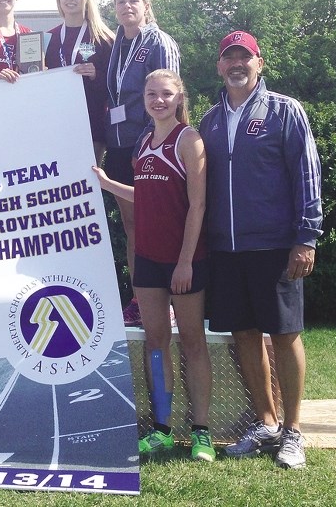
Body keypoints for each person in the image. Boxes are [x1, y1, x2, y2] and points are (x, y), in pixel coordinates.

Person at [199, 31, 323, 469]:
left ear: (259, 63)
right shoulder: (209, 120)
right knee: (244, 335)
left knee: (285, 336)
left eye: (244, 57)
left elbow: (306, 174)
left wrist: (306, 237)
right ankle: (267, 423)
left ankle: (293, 431)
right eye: (228, 57)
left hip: (274, 245)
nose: (236, 64)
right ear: (219, 66)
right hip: (226, 248)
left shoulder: (285, 111)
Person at [94, 69, 214, 462]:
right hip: (146, 259)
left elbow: (197, 205)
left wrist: (184, 262)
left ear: (179, 97)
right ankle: (161, 428)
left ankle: (201, 431)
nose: (158, 100)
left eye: (166, 94)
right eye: (151, 94)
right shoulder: (144, 141)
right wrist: (108, 184)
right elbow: (144, 196)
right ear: (143, 98)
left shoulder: (189, 139)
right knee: (156, 342)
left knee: (193, 342)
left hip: (183, 261)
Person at [105, 0, 181, 327]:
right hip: (120, 146)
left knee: (156, 226)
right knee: (133, 228)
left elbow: (167, 96)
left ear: (146, 6)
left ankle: (168, 301)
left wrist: (155, 144)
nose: (126, 6)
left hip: (147, 146)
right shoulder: (120, 43)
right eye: (120, 2)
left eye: (133, 0)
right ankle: (140, 299)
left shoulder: (158, 42)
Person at [45, 0, 115, 165]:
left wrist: (96, 75)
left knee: (87, 185)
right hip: (57, 126)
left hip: (91, 127)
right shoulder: (48, 38)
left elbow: (116, 87)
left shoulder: (104, 38)